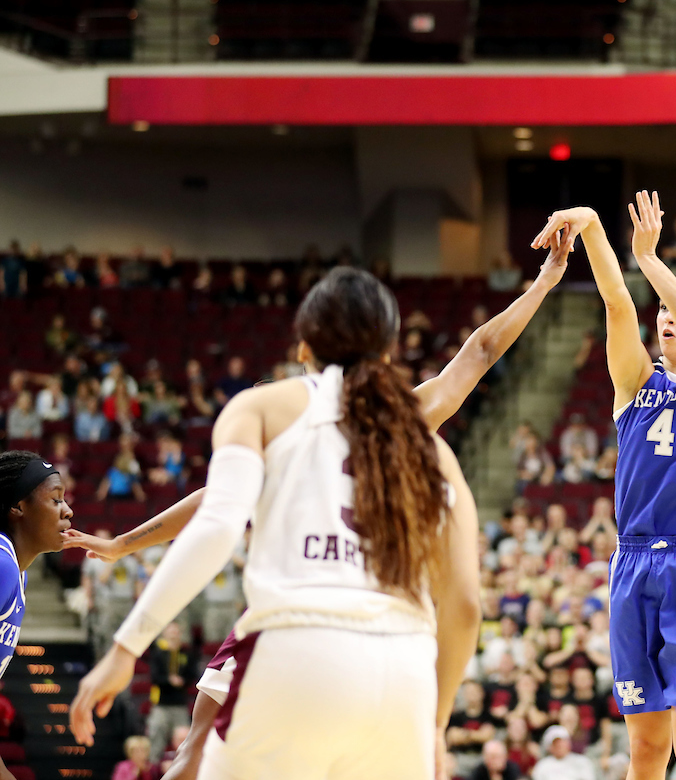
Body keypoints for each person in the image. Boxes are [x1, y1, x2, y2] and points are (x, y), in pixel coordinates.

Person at [65, 238, 576, 780]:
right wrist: (545, 280)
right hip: (402, 666)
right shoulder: (421, 435)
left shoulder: (265, 408)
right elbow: (467, 603)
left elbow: (216, 517)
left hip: (296, 640)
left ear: (303, 345)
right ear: (387, 351)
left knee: (194, 759)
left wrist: (127, 645)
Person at [531, 192, 676, 780]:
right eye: (659, 306)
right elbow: (615, 301)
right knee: (644, 749)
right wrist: (588, 226)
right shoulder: (636, 382)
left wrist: (652, 262)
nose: (664, 314)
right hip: (633, 561)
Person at [0, 451, 74, 780]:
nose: (68, 510)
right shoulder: (1, 563)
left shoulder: (17, 572)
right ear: (18, 507)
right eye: (56, 500)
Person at [146, 622, 195, 762]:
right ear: (164, 633)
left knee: (184, 740)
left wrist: (182, 681)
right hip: (161, 704)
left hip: (179, 704)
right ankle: (154, 769)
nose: (173, 634)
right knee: (156, 735)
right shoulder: (158, 653)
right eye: (170, 631)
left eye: (176, 631)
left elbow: (192, 675)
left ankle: (183, 768)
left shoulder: (186, 653)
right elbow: (154, 677)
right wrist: (169, 680)